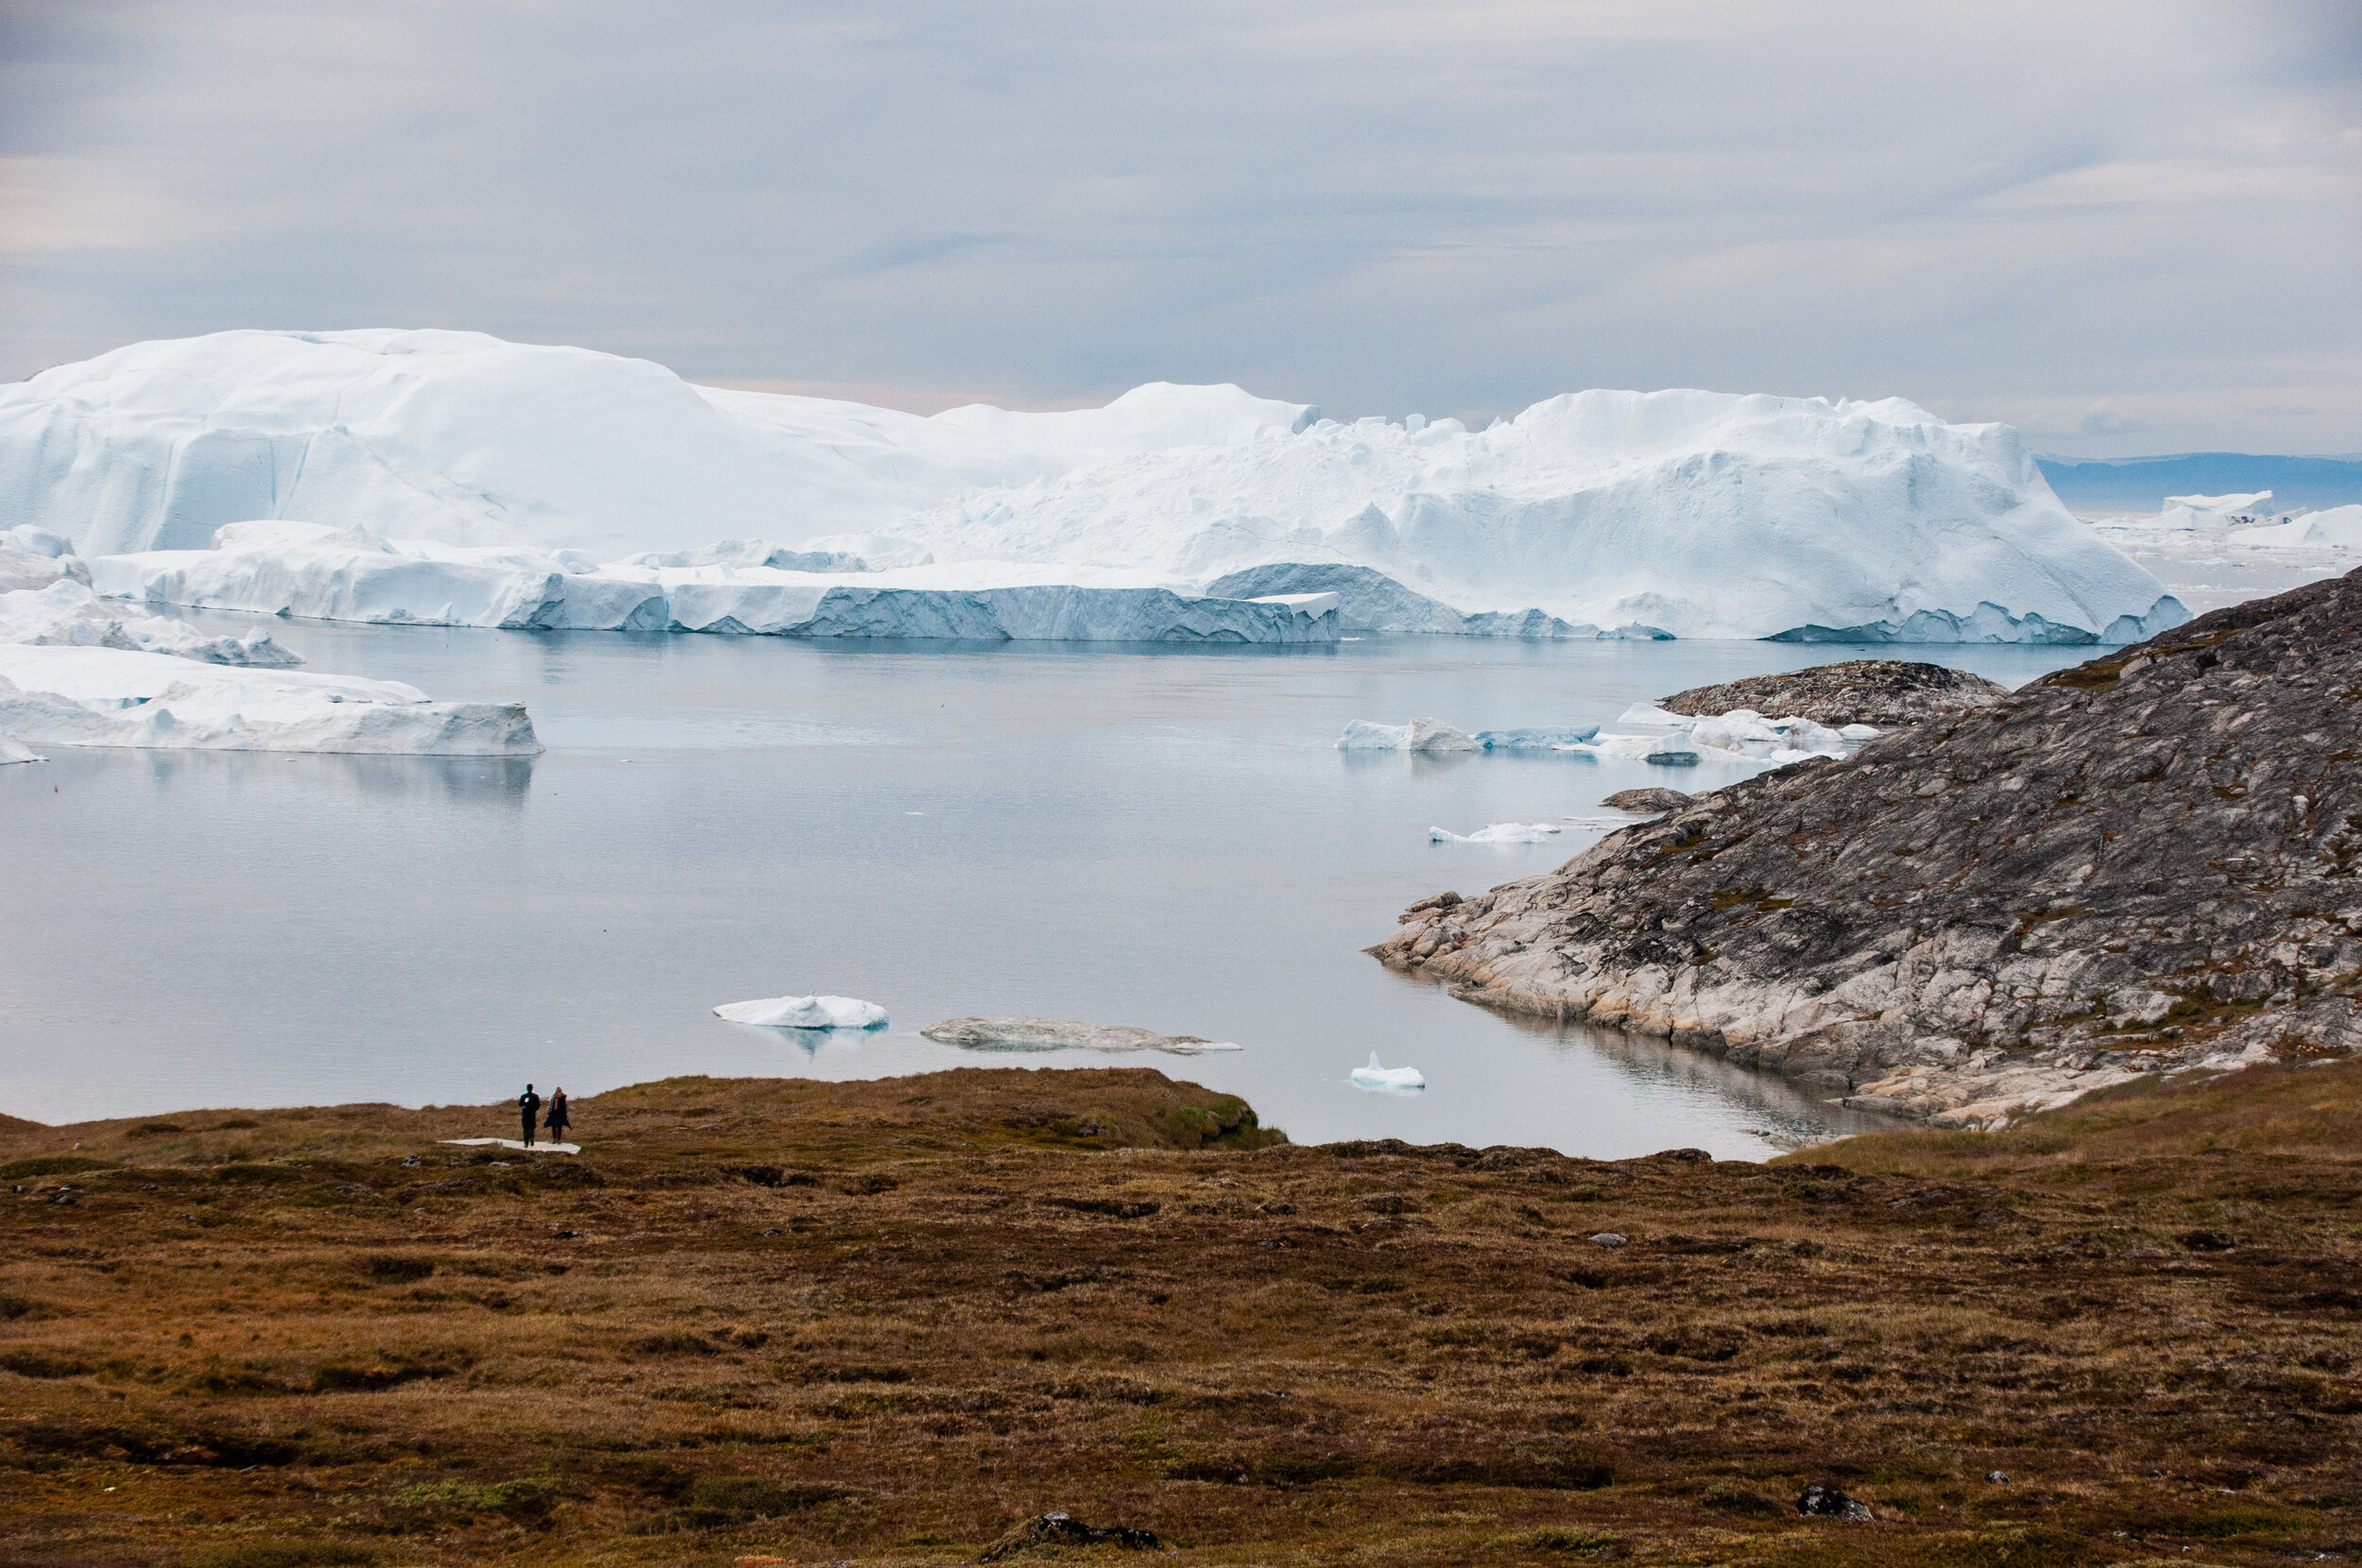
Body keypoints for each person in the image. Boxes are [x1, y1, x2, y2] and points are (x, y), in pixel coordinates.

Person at [519, 1083, 541, 1148]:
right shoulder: (535, 1096)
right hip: (532, 1114)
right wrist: (534, 1109)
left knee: (525, 1129)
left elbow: (520, 1104)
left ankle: (526, 1143)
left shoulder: (524, 1096)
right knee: (532, 1128)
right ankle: (531, 1138)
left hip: (525, 1115)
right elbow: (538, 1105)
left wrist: (524, 1105)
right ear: (532, 1088)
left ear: (527, 1088)